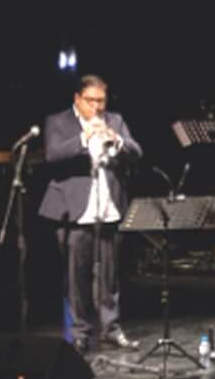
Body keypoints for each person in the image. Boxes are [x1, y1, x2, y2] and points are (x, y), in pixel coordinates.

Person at [39, 75, 143, 354]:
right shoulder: (58, 122)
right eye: (91, 101)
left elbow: (136, 151)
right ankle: (81, 332)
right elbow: (52, 154)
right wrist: (85, 136)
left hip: (107, 208)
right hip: (73, 210)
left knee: (109, 276)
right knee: (77, 276)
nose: (97, 107)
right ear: (77, 99)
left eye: (101, 101)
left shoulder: (115, 120)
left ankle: (110, 329)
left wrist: (117, 140)